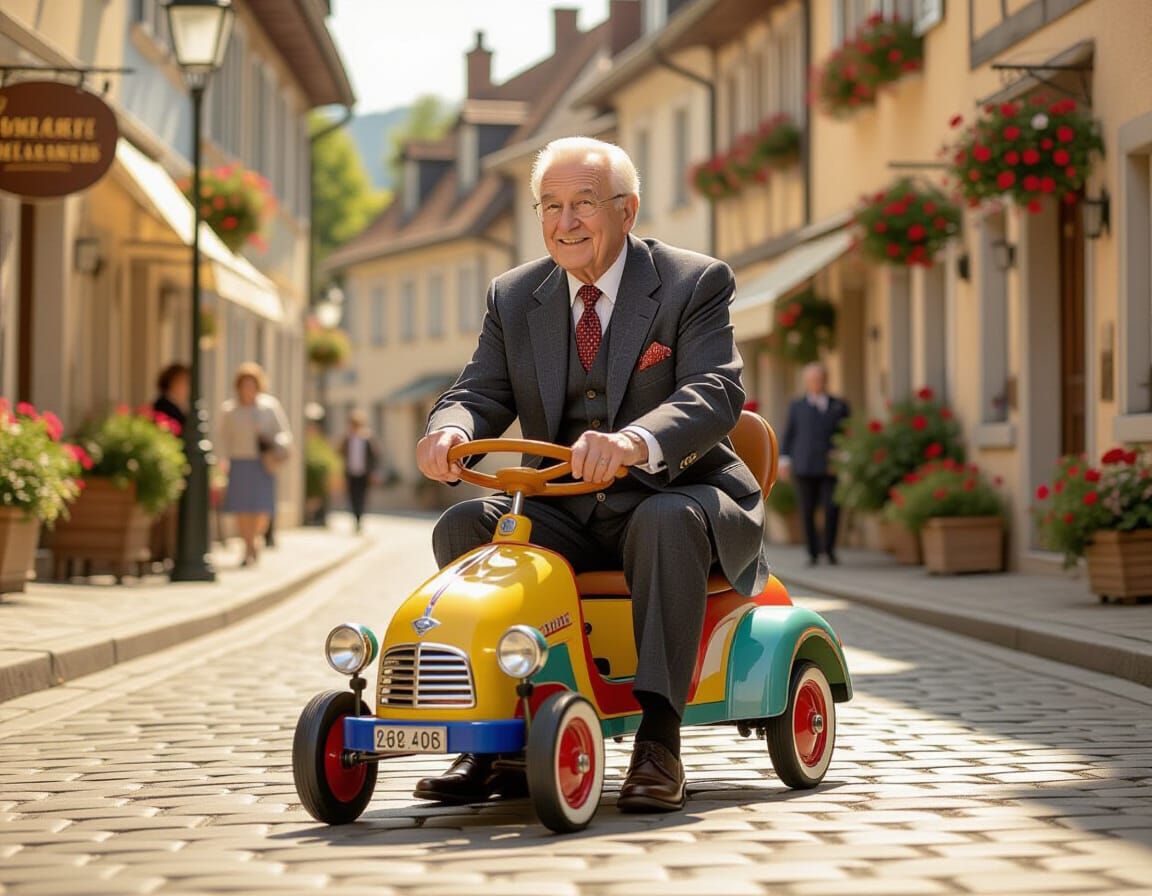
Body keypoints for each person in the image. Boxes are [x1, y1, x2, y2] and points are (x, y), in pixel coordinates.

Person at [415, 136, 768, 813]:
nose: (565, 222)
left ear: (627, 210)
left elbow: (715, 393)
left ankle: (660, 743)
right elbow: (479, 388)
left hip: (677, 494)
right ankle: (504, 741)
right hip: (565, 507)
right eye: (551, 206)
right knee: (467, 527)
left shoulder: (694, 281)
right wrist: (450, 428)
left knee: (664, 521)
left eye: (583, 204)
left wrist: (636, 441)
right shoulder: (515, 296)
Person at [217, 362, 292, 566]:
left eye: (252, 385)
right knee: (242, 508)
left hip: (263, 463)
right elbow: (223, 438)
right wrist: (221, 462)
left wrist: (276, 446)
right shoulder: (230, 410)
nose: (248, 389)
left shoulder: (269, 407)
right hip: (240, 462)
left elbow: (283, 433)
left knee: (261, 508)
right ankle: (247, 547)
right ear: (238, 386)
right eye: (244, 385)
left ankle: (255, 539)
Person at [780, 361, 850, 567]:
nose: (817, 383)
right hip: (804, 465)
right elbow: (789, 435)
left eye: (820, 379)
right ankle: (812, 552)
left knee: (831, 508)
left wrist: (845, 456)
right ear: (806, 382)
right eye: (812, 380)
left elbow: (847, 433)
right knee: (806, 510)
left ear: (826, 380)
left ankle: (829, 549)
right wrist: (784, 460)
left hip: (830, 466)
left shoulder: (840, 405)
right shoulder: (797, 406)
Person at [340, 409, 379, 533]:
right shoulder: (347, 439)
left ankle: (359, 519)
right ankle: (355, 518)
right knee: (352, 497)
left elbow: (374, 456)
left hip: (363, 473)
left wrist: (373, 472)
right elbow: (340, 453)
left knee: (362, 497)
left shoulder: (367, 438)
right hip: (350, 473)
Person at [152, 363, 189, 430]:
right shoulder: (163, 407)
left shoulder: (177, 406)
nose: (188, 387)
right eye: (184, 382)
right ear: (172, 383)